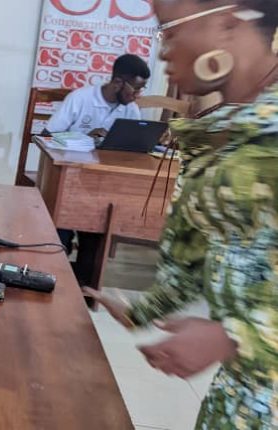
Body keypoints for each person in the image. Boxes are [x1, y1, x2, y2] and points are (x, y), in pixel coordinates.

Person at [85, 0, 278, 427]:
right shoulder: (232, 128)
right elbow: (205, 244)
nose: (164, 52)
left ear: (227, 24)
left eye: (170, 31)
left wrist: (232, 338)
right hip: (243, 394)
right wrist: (143, 309)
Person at [47, 54, 151, 287]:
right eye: (135, 88)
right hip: (70, 177)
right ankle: (54, 275)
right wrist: (85, 137)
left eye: (141, 89)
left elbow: (133, 151)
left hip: (103, 184)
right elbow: (48, 135)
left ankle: (83, 284)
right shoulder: (80, 98)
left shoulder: (131, 110)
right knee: (62, 227)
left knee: (97, 230)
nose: (137, 95)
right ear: (117, 82)